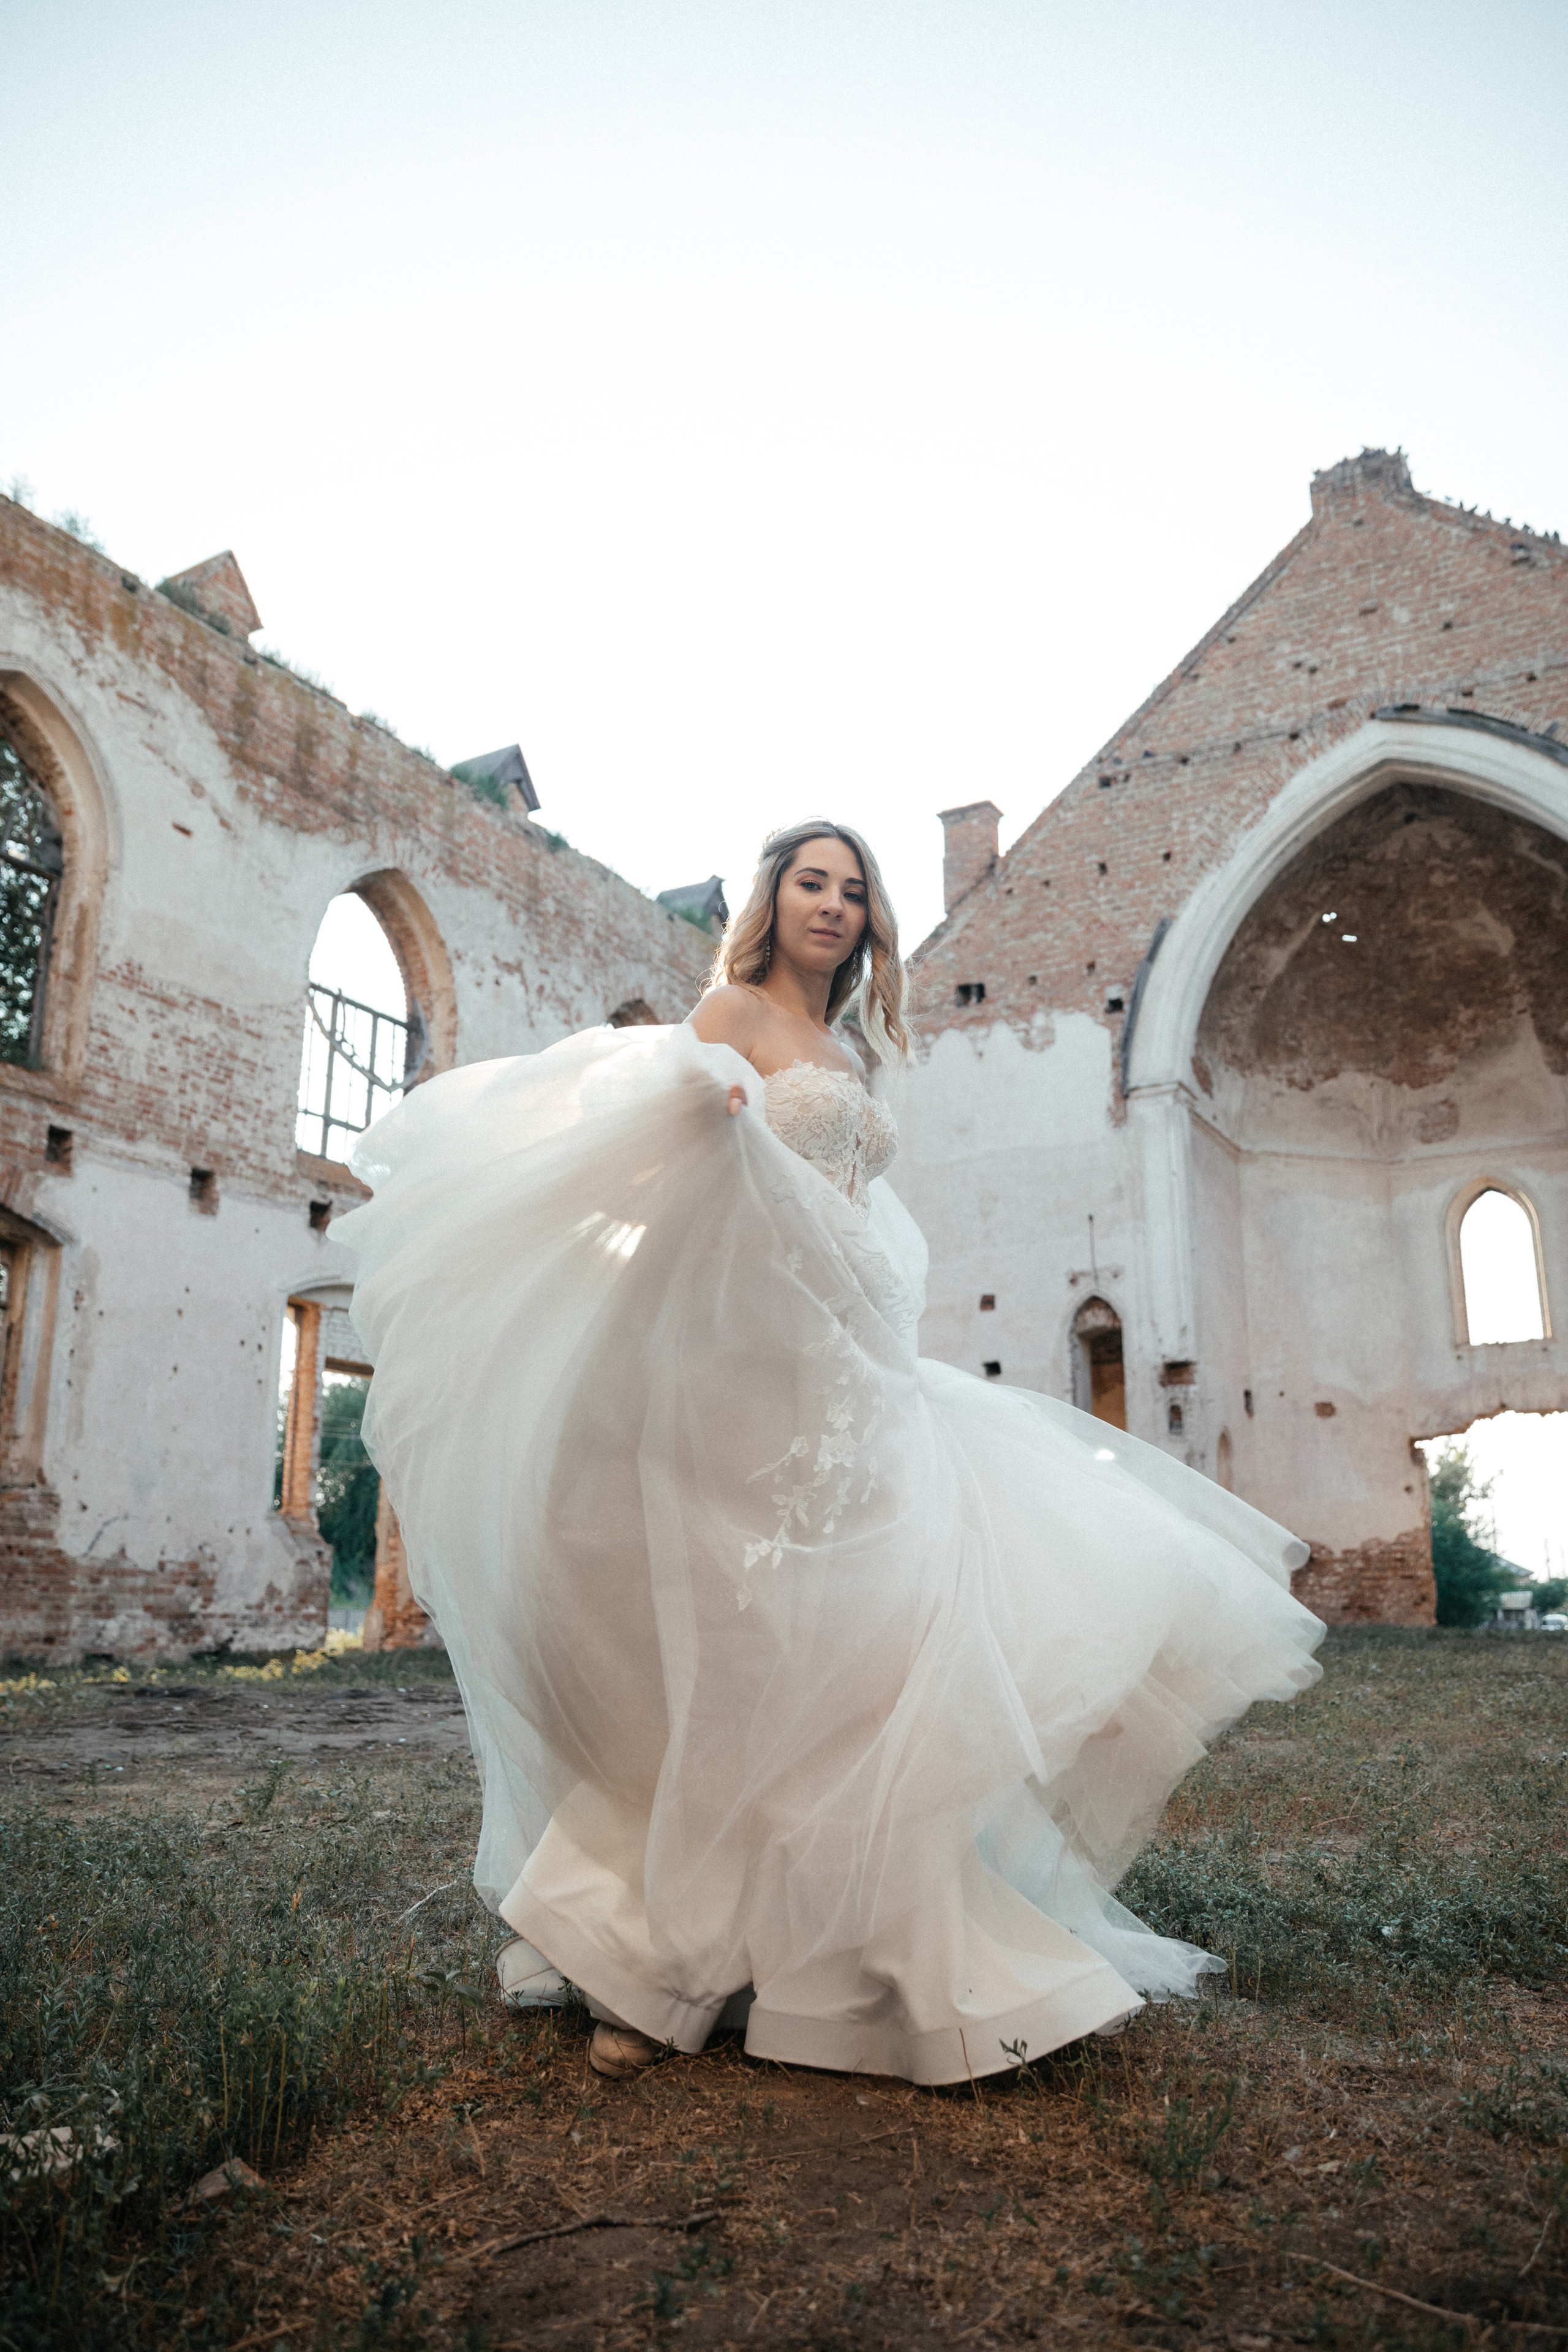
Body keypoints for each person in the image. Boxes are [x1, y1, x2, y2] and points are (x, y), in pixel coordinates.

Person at [337, 819, 1323, 2086]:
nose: (833, 905)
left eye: (853, 891)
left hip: (852, 1362)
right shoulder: (727, 1016)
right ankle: (651, 1956)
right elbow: (645, 1157)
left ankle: (851, 1952)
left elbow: (853, 1204)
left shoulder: (848, 1048)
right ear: (771, 898)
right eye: (811, 882)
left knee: (869, 1642)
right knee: (747, 1639)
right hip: (748, 1368)